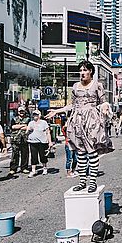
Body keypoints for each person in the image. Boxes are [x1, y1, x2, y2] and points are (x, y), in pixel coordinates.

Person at [46, 60, 113, 193]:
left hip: (92, 120)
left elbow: (104, 102)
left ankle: (92, 181)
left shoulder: (97, 85)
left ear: (91, 71)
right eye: (80, 70)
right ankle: (82, 181)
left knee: (92, 152)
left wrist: (105, 109)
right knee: (80, 153)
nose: (82, 73)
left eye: (84, 70)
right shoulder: (75, 86)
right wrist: (57, 111)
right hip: (77, 120)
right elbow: (72, 105)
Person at [26, 110, 52, 177]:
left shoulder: (44, 123)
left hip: (42, 142)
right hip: (32, 141)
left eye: (36, 115)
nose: (35, 116)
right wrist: (29, 130)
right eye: (34, 115)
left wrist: (50, 142)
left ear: (39, 115)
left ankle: (44, 168)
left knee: (42, 156)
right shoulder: (31, 123)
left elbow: (48, 132)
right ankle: (33, 170)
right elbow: (27, 132)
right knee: (33, 156)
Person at [9, 105, 30, 175]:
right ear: (18, 112)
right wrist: (22, 126)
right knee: (15, 154)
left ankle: (24, 168)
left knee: (25, 154)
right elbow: (12, 127)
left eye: (22, 111)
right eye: (20, 111)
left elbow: (28, 127)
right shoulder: (14, 119)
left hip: (24, 139)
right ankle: (13, 168)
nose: (21, 113)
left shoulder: (28, 119)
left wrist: (18, 126)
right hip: (15, 139)